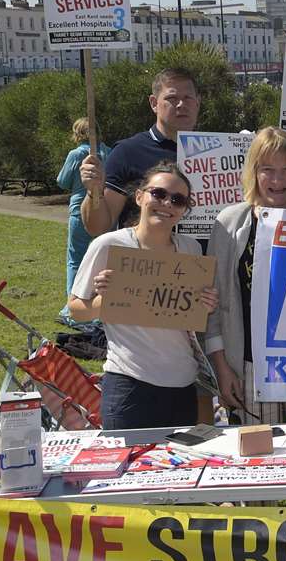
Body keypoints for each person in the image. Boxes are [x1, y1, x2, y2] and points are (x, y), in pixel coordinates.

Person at [68, 162, 218, 429]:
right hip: (129, 386)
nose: (167, 203)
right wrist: (107, 300)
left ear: (185, 209)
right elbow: (76, 309)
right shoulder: (109, 245)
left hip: (183, 386)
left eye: (178, 199)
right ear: (139, 197)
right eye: (158, 194)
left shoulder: (192, 249)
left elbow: (190, 314)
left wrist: (205, 304)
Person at [205, 127, 286, 423]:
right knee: (261, 456)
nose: (277, 180)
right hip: (251, 368)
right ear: (254, 172)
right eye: (268, 170)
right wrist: (223, 369)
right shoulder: (229, 224)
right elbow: (214, 308)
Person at [79, 68, 200, 236]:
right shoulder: (127, 152)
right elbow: (97, 227)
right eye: (172, 98)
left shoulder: (219, 152)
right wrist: (93, 191)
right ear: (154, 103)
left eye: (188, 98)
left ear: (197, 102)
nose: (181, 104)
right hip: (144, 260)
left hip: (203, 260)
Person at [56, 118, 95, 326]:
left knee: (75, 259)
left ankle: (71, 308)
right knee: (100, 261)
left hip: (80, 209)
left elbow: (62, 181)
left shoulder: (77, 154)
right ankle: (96, 309)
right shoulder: (108, 151)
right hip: (105, 210)